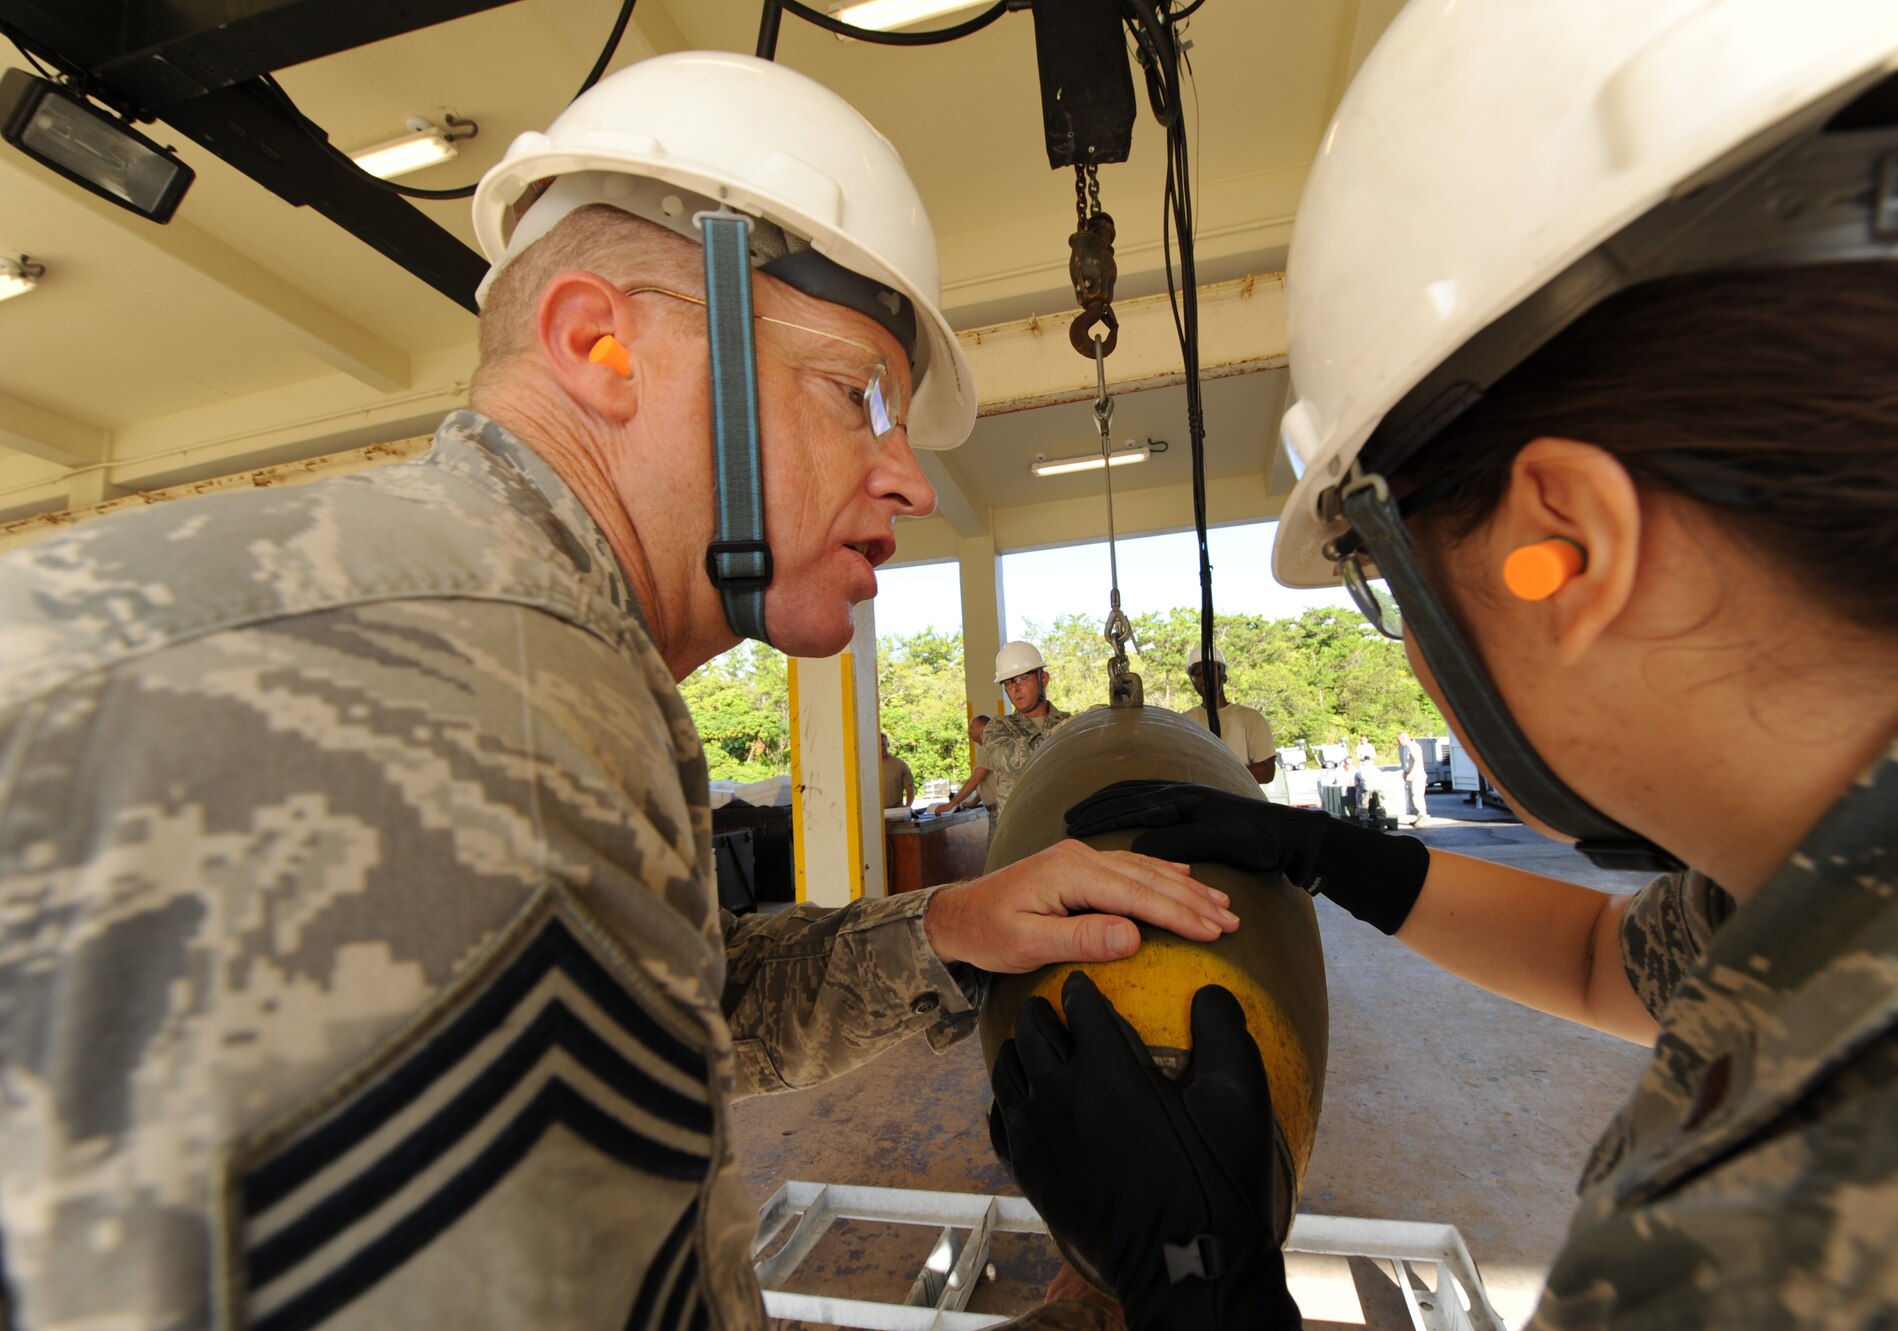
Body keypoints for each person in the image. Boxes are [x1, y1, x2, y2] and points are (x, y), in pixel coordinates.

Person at [0, 53, 1242, 1331]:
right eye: (856, 391)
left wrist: (944, 929)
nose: (910, 480)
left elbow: (673, 996)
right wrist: (1141, 1306)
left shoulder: (483, 637)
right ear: (600, 344)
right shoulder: (489, 702)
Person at [1001, 4, 1898, 1328]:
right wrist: (1315, 849)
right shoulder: (1875, 858)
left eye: (1381, 573)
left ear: (1560, 549)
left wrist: (1205, 1289)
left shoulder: (1802, 1231)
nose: (1412, 652)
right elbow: (1602, 960)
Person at [979, 641, 1073, 818]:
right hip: (1019, 836)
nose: (1015, 688)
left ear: (1043, 679)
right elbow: (1015, 761)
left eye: (1023, 679)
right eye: (1008, 683)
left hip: (1064, 830)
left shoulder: (1068, 722)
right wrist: (1068, 733)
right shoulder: (997, 728)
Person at [1181, 647, 1278, 787]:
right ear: (1193, 681)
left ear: (1224, 677)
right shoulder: (1184, 722)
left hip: (1241, 805)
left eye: (1210, 672)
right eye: (1199, 674)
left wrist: (1219, 778)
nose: (1205, 679)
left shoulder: (1251, 718)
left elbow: (1267, 771)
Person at [932, 713, 991, 813]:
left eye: (971, 728)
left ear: (981, 728)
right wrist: (974, 802)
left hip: (1000, 810)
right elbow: (988, 782)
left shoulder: (987, 748)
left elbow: (974, 780)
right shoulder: (990, 746)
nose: (969, 732)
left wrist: (950, 805)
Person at [1398, 731, 1429, 825]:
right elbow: (1407, 763)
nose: (1399, 742)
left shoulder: (1413, 746)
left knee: (1417, 796)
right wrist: (1405, 773)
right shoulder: (1405, 748)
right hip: (1411, 774)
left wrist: (1411, 774)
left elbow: (1417, 761)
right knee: (1412, 797)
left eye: (1399, 740)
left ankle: (1423, 817)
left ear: (1404, 738)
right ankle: (1419, 817)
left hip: (1417, 775)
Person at [879, 732, 916, 808]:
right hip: (876, 812)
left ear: (888, 745)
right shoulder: (868, 767)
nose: (881, 748)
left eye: (883, 745)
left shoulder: (899, 764)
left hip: (896, 811)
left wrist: (907, 806)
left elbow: (909, 788)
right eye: (878, 745)